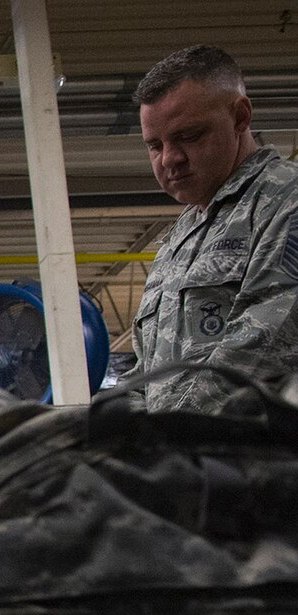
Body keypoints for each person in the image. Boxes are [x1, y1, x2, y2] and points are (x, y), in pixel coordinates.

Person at [133, 45, 298, 412]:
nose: (169, 159)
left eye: (188, 136)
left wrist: (161, 441)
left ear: (240, 117)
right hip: (186, 460)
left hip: (258, 461)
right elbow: (145, 373)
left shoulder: (286, 201)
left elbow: (264, 349)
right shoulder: (178, 239)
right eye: (155, 145)